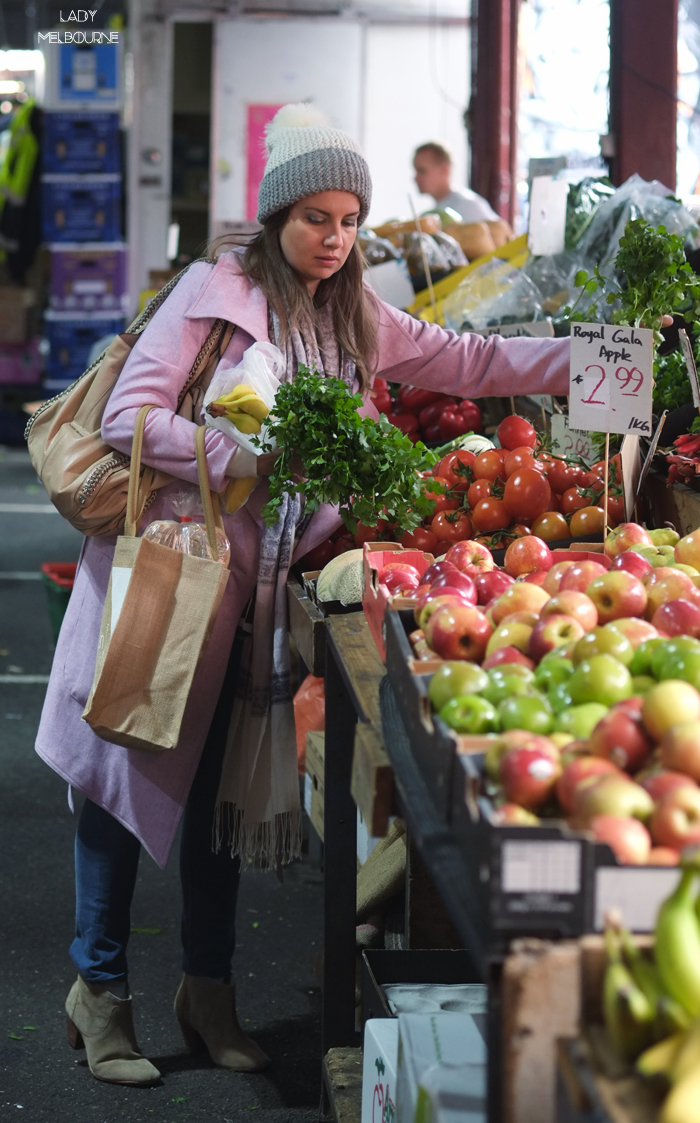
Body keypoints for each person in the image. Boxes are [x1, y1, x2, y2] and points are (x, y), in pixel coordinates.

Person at [35, 102, 571, 1088]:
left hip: (253, 593)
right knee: (116, 787)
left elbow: (469, 360)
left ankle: (208, 991)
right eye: (316, 217)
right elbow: (127, 415)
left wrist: (589, 358)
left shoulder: (351, 309)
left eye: (351, 219)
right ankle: (98, 992)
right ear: (278, 216)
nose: (335, 239)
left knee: (214, 799)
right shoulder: (214, 291)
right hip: (170, 577)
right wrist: (237, 451)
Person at [413, 141, 501, 225]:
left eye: (421, 171)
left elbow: (499, 236)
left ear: (444, 170)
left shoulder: (468, 206)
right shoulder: (435, 212)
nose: (415, 178)